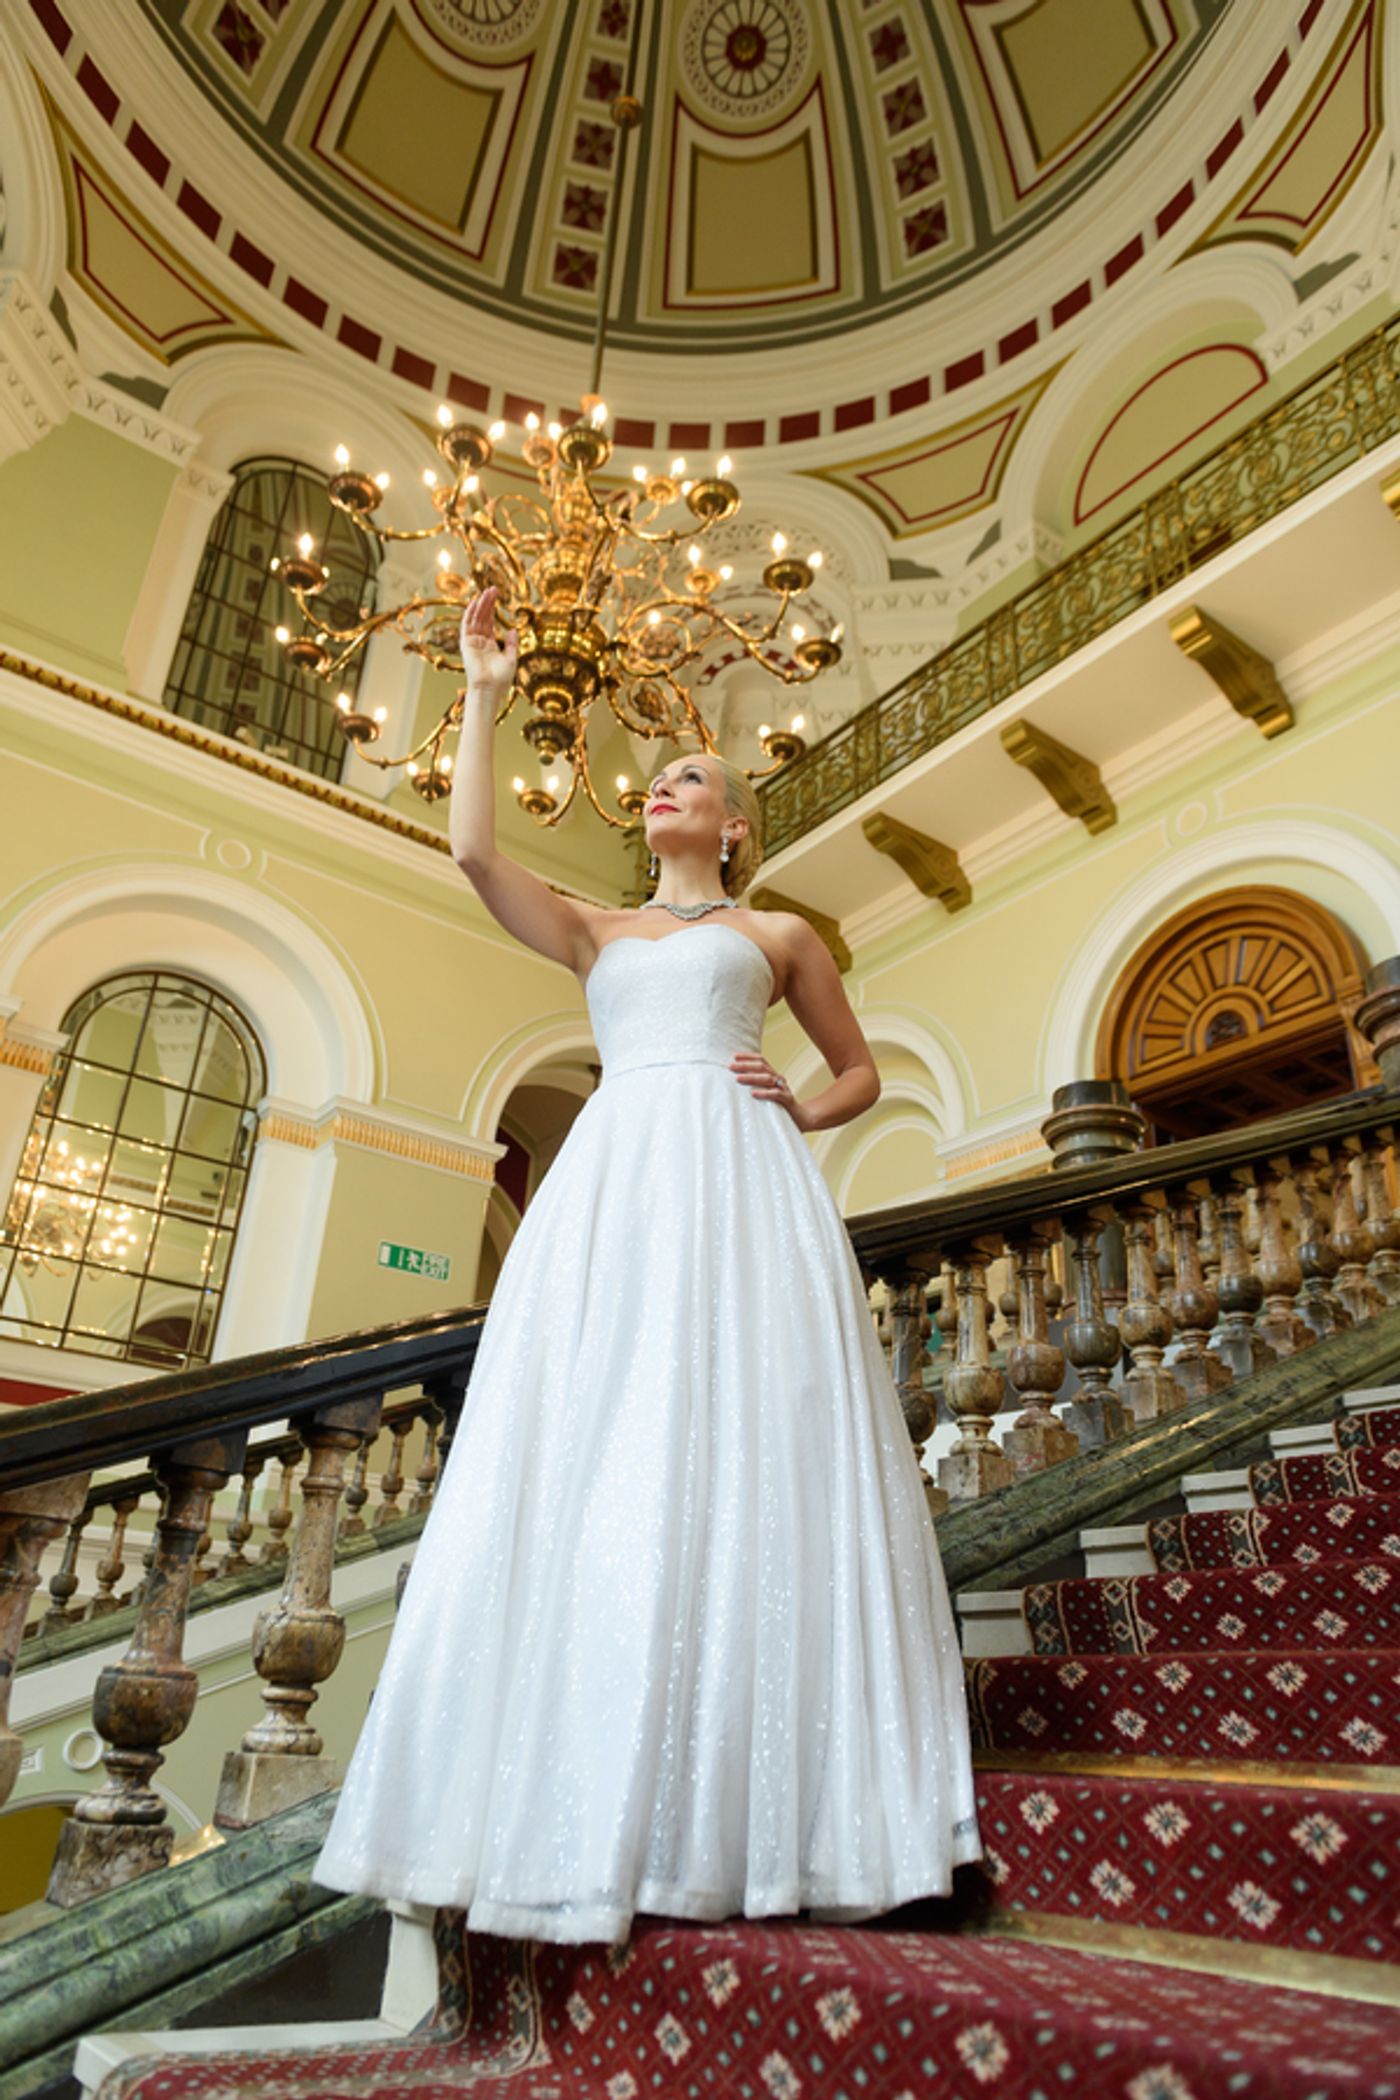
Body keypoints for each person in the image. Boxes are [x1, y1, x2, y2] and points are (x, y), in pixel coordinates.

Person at [313, 587, 980, 1945]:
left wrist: (803, 1109)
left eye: (691, 780)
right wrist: (484, 692)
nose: (663, 788)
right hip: (616, 1182)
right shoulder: (596, 931)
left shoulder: (778, 936)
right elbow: (472, 853)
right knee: (605, 1421)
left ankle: (766, 1808)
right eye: (658, 780)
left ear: (733, 826)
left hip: (741, 1177)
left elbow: (859, 1071)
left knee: (752, 1427)